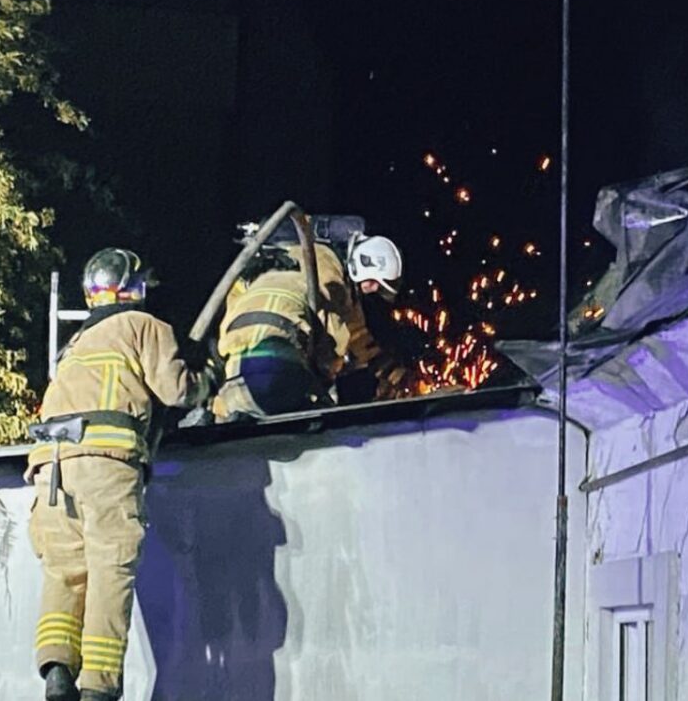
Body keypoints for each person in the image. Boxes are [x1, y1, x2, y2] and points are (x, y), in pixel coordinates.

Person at [26, 248, 210, 701]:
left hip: (49, 466)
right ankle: (99, 688)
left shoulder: (74, 346)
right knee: (111, 568)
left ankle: (57, 671)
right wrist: (208, 374)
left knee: (65, 570)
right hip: (104, 462)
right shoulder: (143, 326)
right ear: (133, 288)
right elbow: (176, 390)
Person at [212, 231, 407, 419]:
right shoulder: (329, 274)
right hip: (275, 360)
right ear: (362, 264)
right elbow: (339, 341)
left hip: (236, 358)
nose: (372, 290)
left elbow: (360, 339)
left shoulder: (304, 260)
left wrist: (396, 375)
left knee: (234, 417)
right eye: (374, 283)